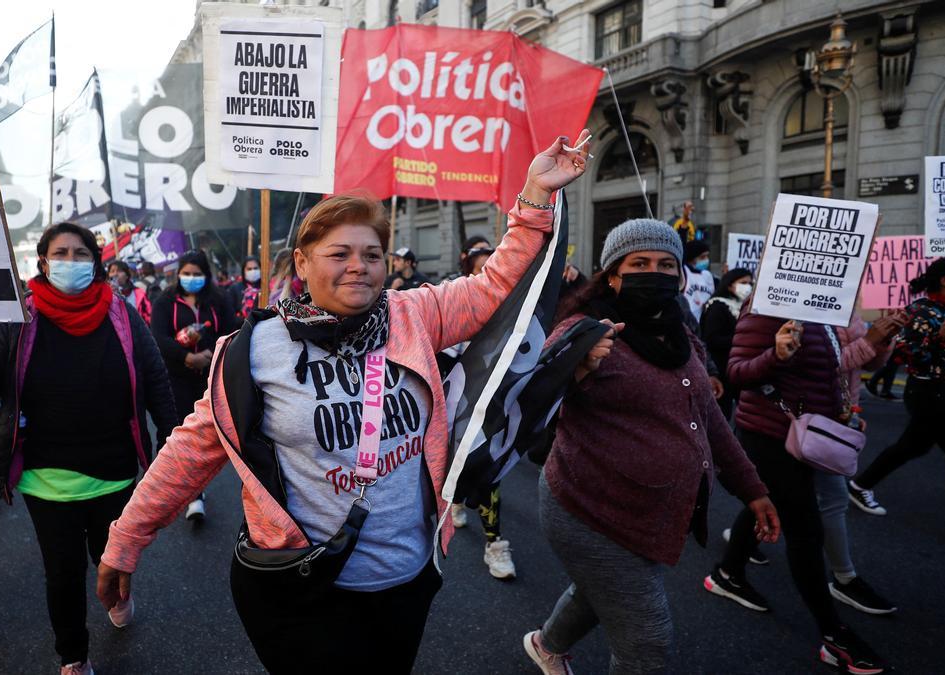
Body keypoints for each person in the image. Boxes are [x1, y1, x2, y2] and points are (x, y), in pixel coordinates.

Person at [97, 132, 597, 673]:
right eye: (339, 254)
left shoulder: (412, 314)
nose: (358, 266)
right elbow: (190, 452)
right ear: (303, 265)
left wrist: (534, 197)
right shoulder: (252, 351)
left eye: (372, 254)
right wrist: (127, 537)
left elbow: (496, 285)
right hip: (299, 586)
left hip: (405, 581)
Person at [521, 217, 779, 675]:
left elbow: (711, 422)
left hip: (652, 513)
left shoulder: (684, 336)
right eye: (639, 263)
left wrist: (752, 489)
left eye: (665, 264)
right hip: (588, 511)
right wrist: (575, 369)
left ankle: (547, 645)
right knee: (647, 642)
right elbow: (526, 401)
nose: (654, 273)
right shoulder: (585, 331)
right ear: (613, 275)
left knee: (595, 592)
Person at [0, 222, 176, 675]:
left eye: (82, 254)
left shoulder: (121, 312)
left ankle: (119, 591)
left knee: (110, 556)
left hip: (114, 470)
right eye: (61, 253)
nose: (71, 262)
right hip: (44, 475)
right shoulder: (15, 316)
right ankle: (72, 655)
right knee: (62, 573)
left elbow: (154, 377)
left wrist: (170, 447)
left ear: (96, 263)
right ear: (42, 261)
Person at [708, 308, 889, 673]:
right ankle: (833, 635)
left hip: (804, 435)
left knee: (768, 504)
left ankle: (727, 574)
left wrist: (841, 411)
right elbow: (737, 372)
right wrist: (776, 354)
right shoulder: (766, 308)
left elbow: (826, 374)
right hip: (771, 437)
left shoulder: (821, 311)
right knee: (806, 531)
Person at [849, 258, 945, 552]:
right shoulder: (922, 312)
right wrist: (937, 338)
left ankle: (859, 485)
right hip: (934, 395)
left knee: (912, 446)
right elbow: (909, 356)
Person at [441, 245, 516, 580]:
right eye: (481, 268)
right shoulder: (460, 306)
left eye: (494, 266)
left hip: (496, 406)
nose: (489, 273)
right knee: (461, 465)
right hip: (461, 404)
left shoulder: (516, 306)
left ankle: (494, 544)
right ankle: (456, 498)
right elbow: (444, 358)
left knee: (489, 472)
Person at [150, 250, 237, 523]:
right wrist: (186, 356)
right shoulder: (165, 301)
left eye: (196, 274)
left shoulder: (218, 301)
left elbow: (230, 329)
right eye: (186, 273)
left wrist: (209, 354)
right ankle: (178, 489)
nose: (191, 278)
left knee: (204, 437)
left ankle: (196, 491)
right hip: (174, 377)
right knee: (175, 431)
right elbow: (158, 337)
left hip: (210, 377)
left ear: (206, 276)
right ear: (178, 275)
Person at [700, 268, 753, 418]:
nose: (748, 286)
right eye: (743, 283)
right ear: (730, 285)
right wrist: (742, 341)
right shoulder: (717, 306)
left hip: (736, 368)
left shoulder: (744, 306)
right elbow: (711, 339)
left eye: (750, 283)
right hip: (720, 368)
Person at [107, 261, 153, 326]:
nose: (115, 274)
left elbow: (149, 314)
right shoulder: (106, 296)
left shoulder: (138, 292)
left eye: (119, 271)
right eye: (112, 271)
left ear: (127, 275)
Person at [681, 240, 714, 323]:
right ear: (692, 258)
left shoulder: (707, 275)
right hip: (687, 322)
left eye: (707, 256)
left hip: (704, 323)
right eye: (702, 257)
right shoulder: (683, 272)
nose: (706, 260)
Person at [228, 256, 262, 320]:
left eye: (255, 268)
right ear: (243, 271)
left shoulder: (266, 288)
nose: (253, 271)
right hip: (241, 327)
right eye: (249, 269)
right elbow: (230, 312)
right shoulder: (235, 288)